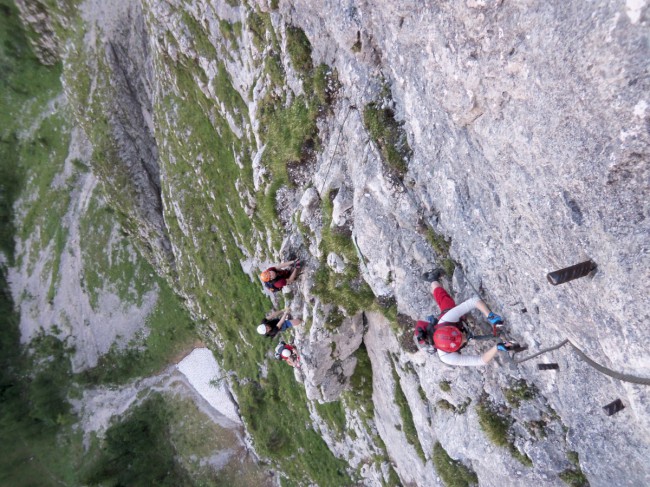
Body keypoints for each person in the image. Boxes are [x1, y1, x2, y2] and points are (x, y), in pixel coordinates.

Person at [414, 268, 515, 366]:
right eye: (461, 341)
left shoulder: (447, 319)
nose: (465, 340)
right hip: (454, 325)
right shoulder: (446, 357)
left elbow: (474, 301)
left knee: (444, 300)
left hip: (449, 320)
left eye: (462, 336)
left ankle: (432, 279)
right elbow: (480, 360)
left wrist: (490, 315)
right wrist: (497, 348)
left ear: (452, 328)